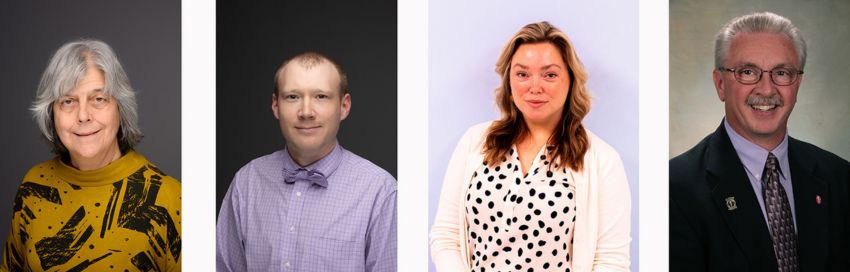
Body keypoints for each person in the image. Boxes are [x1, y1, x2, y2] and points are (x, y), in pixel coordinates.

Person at [430, 21, 631, 272]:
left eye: (550, 74)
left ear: (570, 81)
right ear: (509, 83)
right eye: (522, 74)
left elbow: (611, 262)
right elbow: (446, 236)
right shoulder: (476, 141)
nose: (535, 87)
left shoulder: (602, 160)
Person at [670, 11, 850, 271]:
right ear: (720, 84)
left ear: (797, 83)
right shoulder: (674, 189)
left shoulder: (840, 178)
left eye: (781, 73)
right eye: (747, 71)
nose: (766, 90)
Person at [1, 39, 182, 271]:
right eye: (68, 101)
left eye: (99, 99)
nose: (83, 115)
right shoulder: (34, 186)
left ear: (120, 107)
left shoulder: (168, 198)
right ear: (51, 113)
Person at [216, 52, 397, 272]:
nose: (306, 112)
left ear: (344, 106)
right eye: (293, 97)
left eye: (321, 96)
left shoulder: (380, 191)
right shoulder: (246, 182)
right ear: (276, 106)